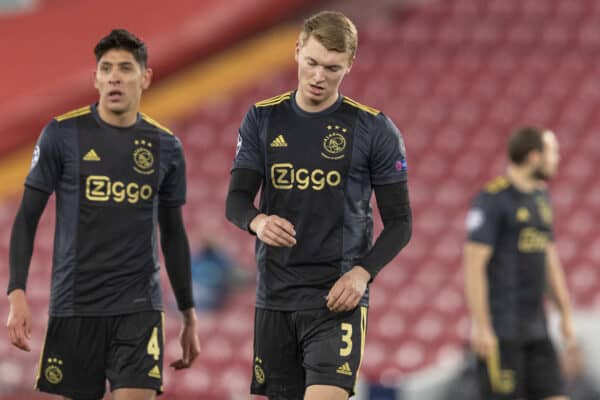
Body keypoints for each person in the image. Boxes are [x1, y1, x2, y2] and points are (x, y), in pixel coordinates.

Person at [225, 10, 411, 400]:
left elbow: (400, 222)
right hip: (275, 297)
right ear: (296, 52)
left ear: (349, 66)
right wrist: (257, 222)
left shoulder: (374, 129)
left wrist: (362, 273)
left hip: (337, 298)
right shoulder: (262, 119)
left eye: (332, 67)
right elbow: (237, 201)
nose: (318, 76)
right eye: (311, 63)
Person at [6, 29, 200, 400]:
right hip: (76, 307)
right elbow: (27, 217)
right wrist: (17, 293)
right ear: (95, 78)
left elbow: (173, 234)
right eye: (106, 68)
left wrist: (188, 312)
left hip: (139, 308)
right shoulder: (62, 135)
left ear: (145, 77)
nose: (114, 76)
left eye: (126, 68)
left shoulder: (166, 147)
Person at [464, 127, 575, 399]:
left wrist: (565, 312)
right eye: (553, 152)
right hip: (502, 332)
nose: (557, 159)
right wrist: (481, 325)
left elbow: (549, 259)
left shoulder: (542, 198)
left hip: (537, 327)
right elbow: (473, 265)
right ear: (534, 157)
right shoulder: (492, 200)